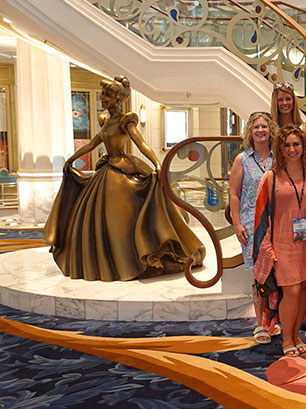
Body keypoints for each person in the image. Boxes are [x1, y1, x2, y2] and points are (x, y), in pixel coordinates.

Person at [44, 75, 205, 282]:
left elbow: (141, 143)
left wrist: (157, 163)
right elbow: (92, 145)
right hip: (106, 170)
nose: (103, 98)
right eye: (103, 94)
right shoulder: (105, 121)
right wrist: (71, 160)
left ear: (117, 99)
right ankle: (105, 262)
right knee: (98, 217)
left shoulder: (125, 120)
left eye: (106, 95)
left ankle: (136, 258)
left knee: (121, 215)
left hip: (121, 169)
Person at [255, 125, 306, 358]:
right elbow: (261, 216)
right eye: (286, 145)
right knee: (290, 291)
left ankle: (296, 334)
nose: (292, 149)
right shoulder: (270, 178)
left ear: (304, 147)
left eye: (296, 144)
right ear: (280, 149)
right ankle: (286, 338)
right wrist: (265, 248)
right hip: (282, 242)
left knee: (303, 289)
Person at [229, 111, 280, 344]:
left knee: (277, 275)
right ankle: (260, 324)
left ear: (271, 131)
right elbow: (234, 194)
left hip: (277, 224)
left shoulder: (278, 158)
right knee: (259, 276)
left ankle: (273, 321)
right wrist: (237, 223)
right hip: (252, 225)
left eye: (264, 127)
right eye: (256, 127)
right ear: (250, 131)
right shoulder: (242, 160)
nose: (260, 131)